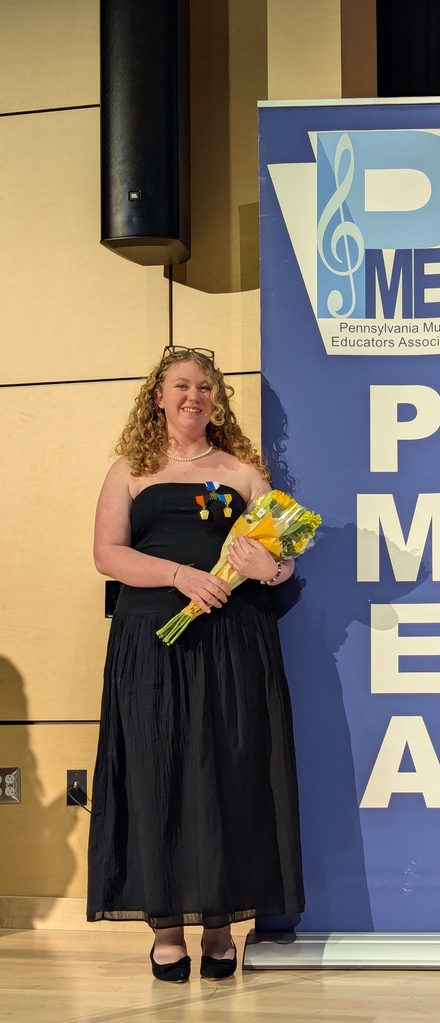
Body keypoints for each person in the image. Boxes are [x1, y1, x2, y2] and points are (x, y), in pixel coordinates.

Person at [87, 345, 304, 982]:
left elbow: (282, 553)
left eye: (205, 387)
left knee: (228, 773)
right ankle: (166, 928)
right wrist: (182, 575)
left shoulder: (242, 472)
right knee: (159, 774)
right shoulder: (130, 469)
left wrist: (272, 567)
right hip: (150, 641)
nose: (194, 396)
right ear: (157, 396)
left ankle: (217, 927)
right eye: (181, 385)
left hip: (233, 642)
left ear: (217, 400)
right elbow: (106, 554)